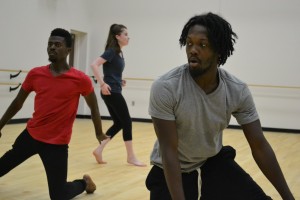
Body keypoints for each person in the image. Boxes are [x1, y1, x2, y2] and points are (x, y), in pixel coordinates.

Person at [145, 12, 295, 200]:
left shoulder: (236, 90)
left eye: (203, 44)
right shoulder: (166, 87)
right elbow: (169, 151)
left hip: (212, 162)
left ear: (219, 52)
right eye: (189, 43)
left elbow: (259, 145)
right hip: (170, 171)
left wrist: (288, 197)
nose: (193, 49)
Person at [0, 28, 108, 200]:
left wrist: (98, 132)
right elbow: (17, 103)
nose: (52, 48)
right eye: (50, 44)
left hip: (56, 144)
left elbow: (94, 107)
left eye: (57, 45)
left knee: (58, 195)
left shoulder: (80, 79)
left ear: (68, 50)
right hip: (31, 136)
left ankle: (84, 183)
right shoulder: (36, 74)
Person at [90, 24, 146, 167]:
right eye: (125, 34)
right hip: (111, 92)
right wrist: (102, 84)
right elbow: (94, 65)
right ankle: (131, 157)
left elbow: (111, 71)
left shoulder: (119, 53)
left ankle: (99, 149)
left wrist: (119, 80)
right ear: (117, 36)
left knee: (119, 123)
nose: (128, 37)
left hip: (114, 90)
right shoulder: (111, 51)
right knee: (127, 121)